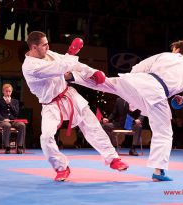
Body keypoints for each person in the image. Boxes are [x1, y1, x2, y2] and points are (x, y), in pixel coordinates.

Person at [71, 40, 183, 181]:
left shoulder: (164, 55)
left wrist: (132, 91)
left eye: (173, 49)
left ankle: (73, 76)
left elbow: (138, 67)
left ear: (177, 49)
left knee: (106, 83)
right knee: (164, 132)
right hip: (157, 93)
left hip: (137, 82)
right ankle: (158, 172)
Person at [22, 31, 128, 181]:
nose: (48, 46)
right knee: (46, 137)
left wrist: (92, 72)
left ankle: (113, 159)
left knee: (93, 126)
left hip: (68, 94)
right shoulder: (30, 67)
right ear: (34, 47)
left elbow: (73, 65)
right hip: (50, 104)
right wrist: (71, 52)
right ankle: (61, 167)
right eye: (44, 45)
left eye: (47, 43)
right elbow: (61, 68)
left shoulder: (49, 53)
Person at [0, 83, 26, 154]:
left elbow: (16, 113)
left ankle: (19, 146)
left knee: (22, 125)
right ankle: (7, 147)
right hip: (2, 122)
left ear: (11, 92)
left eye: (9, 91)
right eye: (6, 91)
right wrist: (3, 119)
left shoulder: (15, 101)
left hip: (13, 121)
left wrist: (10, 104)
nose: (8, 93)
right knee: (7, 125)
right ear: (3, 91)